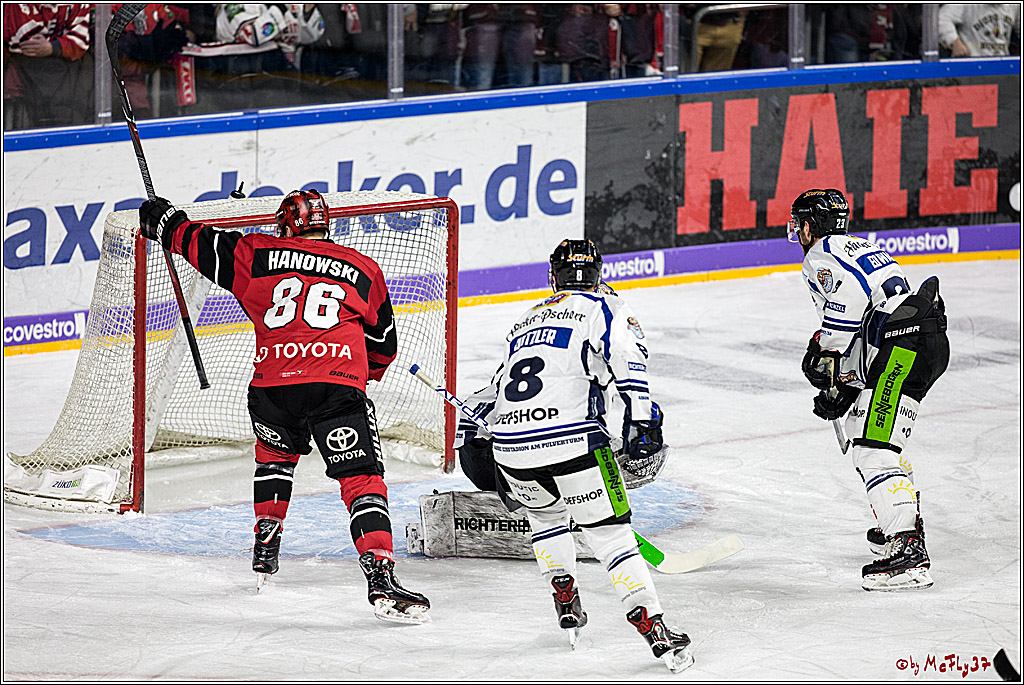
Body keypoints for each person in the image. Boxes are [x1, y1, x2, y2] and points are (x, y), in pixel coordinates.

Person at [138, 190, 430, 624]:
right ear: (324, 224)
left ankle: (265, 546)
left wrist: (163, 222)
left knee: (275, 460)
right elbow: (383, 343)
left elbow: (200, 243)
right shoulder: (362, 268)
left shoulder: (256, 252)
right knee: (360, 478)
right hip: (336, 388)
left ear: (285, 225)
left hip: (272, 386)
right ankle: (380, 577)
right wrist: (358, 375)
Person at [451, 239, 693, 672]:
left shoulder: (525, 320)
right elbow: (628, 358)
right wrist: (641, 419)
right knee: (613, 539)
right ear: (598, 274)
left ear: (553, 276)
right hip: (576, 445)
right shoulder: (604, 308)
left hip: (511, 452)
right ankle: (654, 628)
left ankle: (564, 594)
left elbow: (495, 389)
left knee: (545, 519)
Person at [789, 189, 950, 592]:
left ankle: (909, 550)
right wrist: (845, 381)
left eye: (799, 223)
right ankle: (900, 520)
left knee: (874, 447)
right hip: (916, 342)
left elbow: (847, 308)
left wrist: (827, 354)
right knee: (878, 436)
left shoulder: (820, 255)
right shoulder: (861, 246)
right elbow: (874, 316)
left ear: (809, 225)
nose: (797, 232)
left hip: (903, 349)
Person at [3, 3, 92, 129]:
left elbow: (81, 41)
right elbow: (25, 42)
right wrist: (62, 43)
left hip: (65, 80)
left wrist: (51, 47)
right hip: (22, 75)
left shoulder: (79, 4)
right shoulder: (17, 5)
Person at [939, 4, 1021, 57]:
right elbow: (941, 19)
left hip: (1004, 64)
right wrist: (954, 42)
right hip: (972, 65)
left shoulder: (1014, 5)